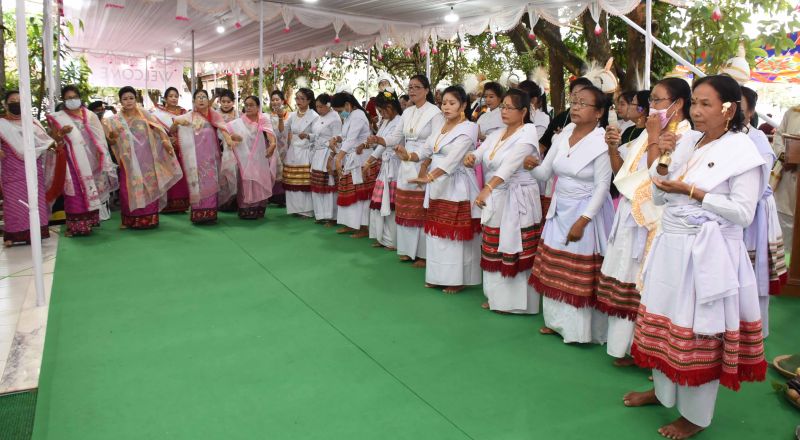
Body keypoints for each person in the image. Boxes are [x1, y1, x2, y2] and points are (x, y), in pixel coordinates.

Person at [624, 75, 767, 440]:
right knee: (661, 323)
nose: (697, 111)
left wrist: (693, 191)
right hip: (670, 246)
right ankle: (660, 390)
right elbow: (659, 195)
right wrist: (660, 160)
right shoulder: (688, 140)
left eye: (706, 104)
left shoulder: (742, 151)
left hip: (708, 253)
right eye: (695, 103)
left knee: (697, 332)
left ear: (728, 108)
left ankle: (695, 416)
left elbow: (743, 213)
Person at [600, 78, 693, 366]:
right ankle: (622, 346)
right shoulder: (645, 131)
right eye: (651, 100)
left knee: (645, 283)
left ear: (677, 105)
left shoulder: (685, 134)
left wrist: (653, 136)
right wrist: (613, 148)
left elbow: (657, 176)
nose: (651, 106)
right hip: (629, 212)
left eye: (657, 100)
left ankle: (644, 350)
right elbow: (621, 176)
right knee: (624, 277)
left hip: (654, 218)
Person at [527, 85, 613, 344]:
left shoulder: (602, 142)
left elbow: (602, 186)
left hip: (586, 209)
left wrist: (584, 220)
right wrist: (530, 166)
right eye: (574, 102)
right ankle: (555, 322)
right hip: (559, 206)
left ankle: (580, 331)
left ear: (598, 112)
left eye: (583, 103)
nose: (575, 107)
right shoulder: (564, 133)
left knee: (579, 268)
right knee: (555, 265)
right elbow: (545, 173)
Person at [467, 88, 542, 312]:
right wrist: (471, 158)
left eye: (510, 107)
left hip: (517, 194)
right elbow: (482, 153)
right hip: (497, 193)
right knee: (493, 244)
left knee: (514, 244)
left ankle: (517, 303)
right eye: (504, 107)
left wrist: (487, 187)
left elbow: (511, 165)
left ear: (524, 111)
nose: (505, 111)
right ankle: (496, 297)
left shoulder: (527, 132)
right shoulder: (497, 133)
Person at [408, 85, 481, 293]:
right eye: (444, 103)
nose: (446, 107)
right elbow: (426, 148)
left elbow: (452, 159)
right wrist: (408, 155)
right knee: (436, 233)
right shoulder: (442, 125)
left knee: (453, 234)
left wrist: (429, 177)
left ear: (463, 105)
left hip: (456, 184)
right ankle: (436, 275)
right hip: (436, 184)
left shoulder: (469, 128)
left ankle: (456, 279)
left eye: (452, 103)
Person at [741, 86, 787, 337]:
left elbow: (757, 186)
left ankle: (752, 332)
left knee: (749, 274)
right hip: (731, 213)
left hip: (753, 214)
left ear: (750, 112)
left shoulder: (757, 139)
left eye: (738, 105)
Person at [105, 86, 182, 230]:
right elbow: (112, 142)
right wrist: (112, 138)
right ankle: (129, 220)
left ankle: (150, 218)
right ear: (120, 101)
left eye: (131, 98)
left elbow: (159, 130)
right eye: (125, 99)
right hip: (128, 161)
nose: (128, 101)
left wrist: (166, 143)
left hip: (147, 158)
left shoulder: (144, 114)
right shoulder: (113, 121)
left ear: (136, 99)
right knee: (127, 189)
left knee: (149, 186)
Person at [47, 85, 117, 237]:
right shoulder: (57, 117)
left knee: (91, 190)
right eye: (68, 98)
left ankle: (90, 222)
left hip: (91, 160)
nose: (72, 100)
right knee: (74, 192)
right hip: (71, 160)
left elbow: (99, 138)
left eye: (74, 97)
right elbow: (54, 140)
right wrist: (61, 133)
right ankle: (75, 226)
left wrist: (101, 154)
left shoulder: (90, 115)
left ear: (79, 98)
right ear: (63, 101)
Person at [395, 74, 444, 266]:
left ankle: (424, 254)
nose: (412, 91)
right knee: (406, 208)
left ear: (427, 90)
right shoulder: (407, 112)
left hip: (425, 164)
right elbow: (396, 136)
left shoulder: (435, 113)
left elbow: (436, 143)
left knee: (421, 210)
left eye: (417, 87)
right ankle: (408, 250)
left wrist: (424, 165)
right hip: (406, 161)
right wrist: (379, 141)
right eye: (410, 87)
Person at [171, 89, 238, 224]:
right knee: (197, 184)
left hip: (210, 158)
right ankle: (198, 213)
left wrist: (229, 141)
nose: (201, 99)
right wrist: (177, 123)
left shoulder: (214, 115)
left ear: (208, 100)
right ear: (194, 101)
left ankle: (210, 213)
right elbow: (171, 130)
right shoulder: (188, 116)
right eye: (198, 97)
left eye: (204, 97)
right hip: (194, 159)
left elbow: (223, 129)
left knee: (211, 182)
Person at [0, 91, 54, 246]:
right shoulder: (2, 123)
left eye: (19, 100)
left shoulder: (32, 122)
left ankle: (36, 233)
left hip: (32, 168)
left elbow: (45, 141)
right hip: (12, 169)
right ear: (5, 104)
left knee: (35, 200)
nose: (16, 103)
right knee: (14, 202)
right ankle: (12, 235)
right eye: (12, 100)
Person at [226, 96, 276, 220]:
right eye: (246, 105)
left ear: (258, 107)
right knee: (246, 181)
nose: (248, 107)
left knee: (260, 180)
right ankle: (245, 208)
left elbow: (271, 137)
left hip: (260, 157)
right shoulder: (238, 122)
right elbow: (225, 130)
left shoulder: (264, 119)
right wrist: (232, 137)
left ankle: (259, 208)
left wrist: (272, 145)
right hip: (244, 156)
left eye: (251, 105)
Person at [365, 90, 404, 249]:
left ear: (391, 106)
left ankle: (393, 240)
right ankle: (383, 237)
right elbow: (380, 145)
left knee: (392, 205)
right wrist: (370, 160)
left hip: (395, 166)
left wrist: (376, 143)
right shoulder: (386, 121)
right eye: (379, 112)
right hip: (385, 167)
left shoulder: (401, 121)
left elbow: (389, 141)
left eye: (382, 111)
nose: (381, 114)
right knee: (380, 203)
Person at [332, 92, 373, 238]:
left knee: (359, 194)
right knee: (348, 191)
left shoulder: (358, 116)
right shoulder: (349, 116)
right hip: (351, 157)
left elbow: (351, 139)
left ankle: (362, 227)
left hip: (360, 159)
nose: (339, 114)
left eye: (339, 111)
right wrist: (337, 138)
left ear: (348, 105)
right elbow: (345, 136)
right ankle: (350, 224)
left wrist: (339, 156)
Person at [150, 87, 190, 213]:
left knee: (183, 173)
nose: (174, 98)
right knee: (168, 172)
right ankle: (167, 204)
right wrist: (167, 139)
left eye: (176, 96)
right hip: (165, 147)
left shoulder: (185, 113)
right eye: (171, 96)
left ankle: (182, 203)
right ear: (165, 98)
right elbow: (154, 131)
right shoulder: (157, 114)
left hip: (182, 148)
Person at [283, 88, 319, 217]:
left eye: (302, 98)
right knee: (292, 181)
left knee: (304, 181)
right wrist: (279, 117)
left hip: (305, 150)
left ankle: (307, 210)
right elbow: (282, 129)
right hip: (293, 150)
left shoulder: (314, 116)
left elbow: (319, 134)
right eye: (297, 98)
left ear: (309, 100)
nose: (299, 101)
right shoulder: (292, 115)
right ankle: (295, 208)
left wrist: (308, 136)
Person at [309, 93, 342, 224]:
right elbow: (317, 135)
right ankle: (320, 214)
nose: (318, 109)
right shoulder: (318, 118)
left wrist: (331, 157)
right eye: (317, 107)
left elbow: (337, 139)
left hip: (328, 153)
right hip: (317, 153)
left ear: (328, 105)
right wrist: (308, 136)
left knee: (329, 185)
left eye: (321, 107)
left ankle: (332, 216)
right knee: (318, 185)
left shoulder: (335, 119)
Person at [539, 77, 595, 154]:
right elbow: (543, 144)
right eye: (575, 94)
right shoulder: (560, 118)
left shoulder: (594, 120)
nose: (578, 98)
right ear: (570, 95)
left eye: (584, 95)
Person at [269, 90, 291, 207]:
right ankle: (275, 196)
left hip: (285, 145)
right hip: (273, 145)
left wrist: (281, 117)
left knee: (284, 169)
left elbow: (283, 132)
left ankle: (284, 196)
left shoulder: (289, 115)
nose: (275, 102)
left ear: (282, 101)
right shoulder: (268, 116)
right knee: (275, 169)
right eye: (273, 100)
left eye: (277, 99)